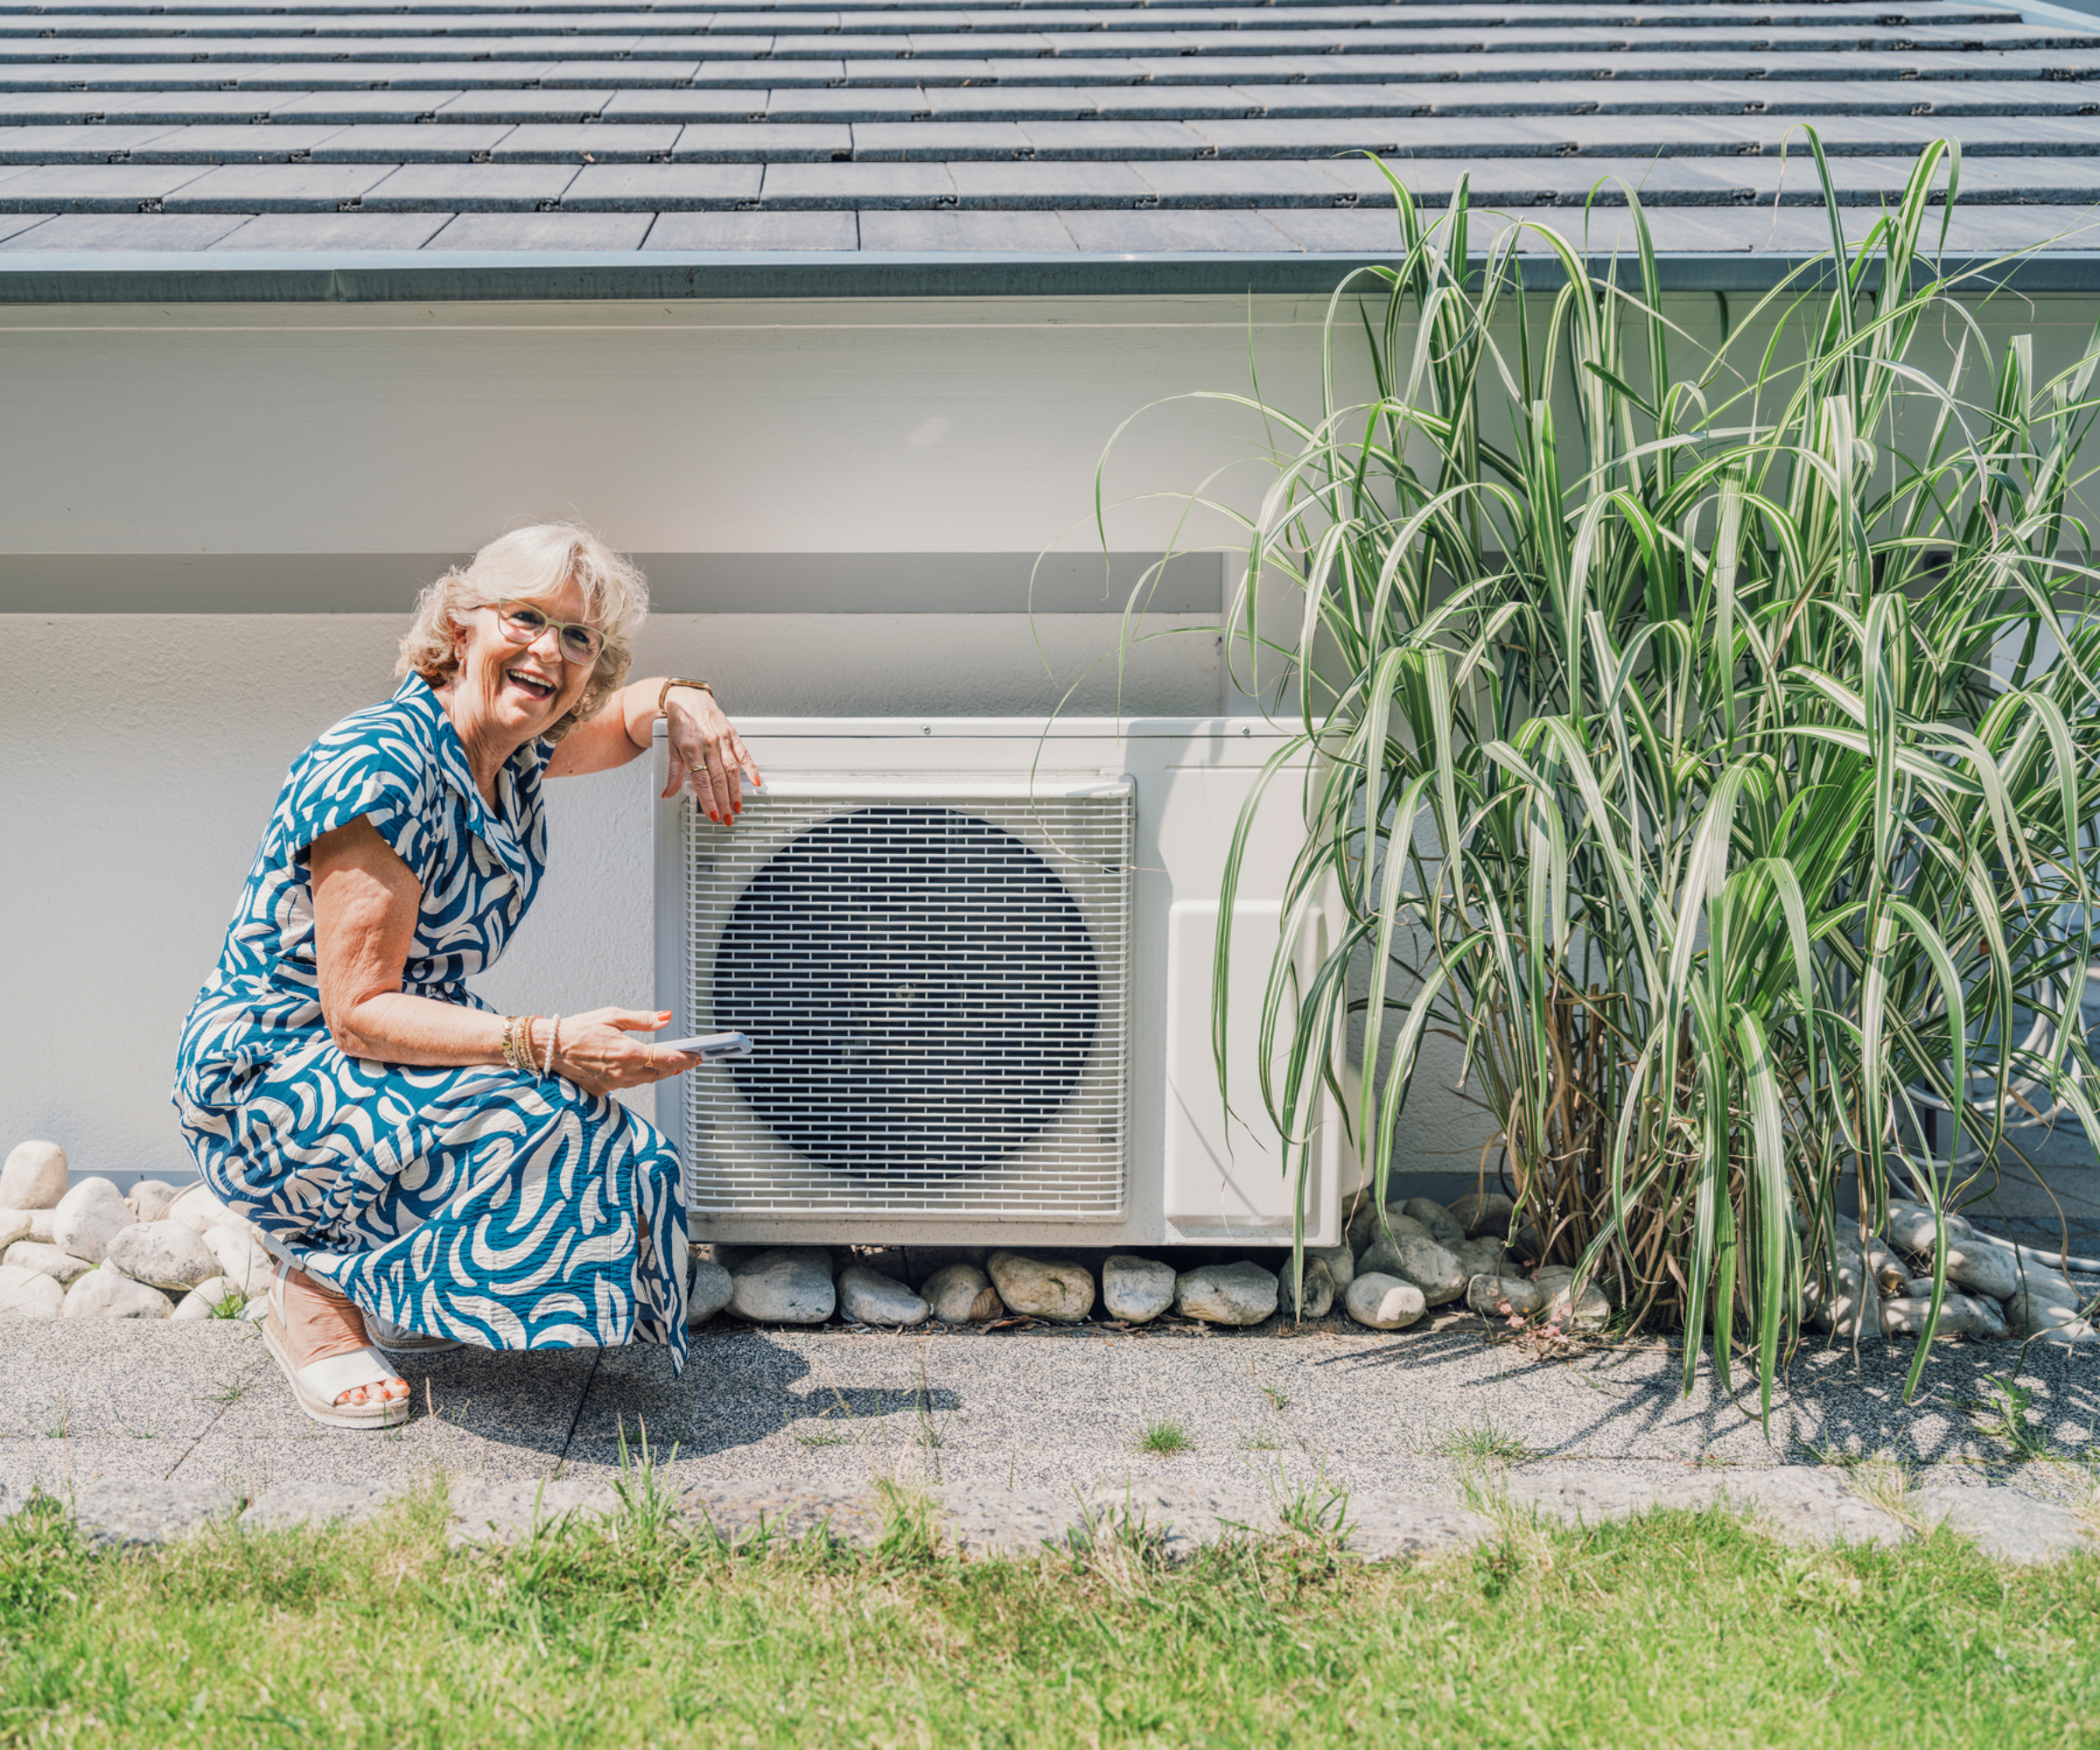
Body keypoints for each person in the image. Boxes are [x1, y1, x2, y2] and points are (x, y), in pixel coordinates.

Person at [172, 524, 760, 1429]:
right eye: (526, 618)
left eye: (578, 637)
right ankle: (310, 1280)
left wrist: (683, 699)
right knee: (537, 1124)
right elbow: (358, 1011)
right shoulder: (384, 763)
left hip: (385, 1036)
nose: (550, 650)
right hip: (276, 1067)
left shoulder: (509, 747)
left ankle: (389, 1272)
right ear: (460, 627)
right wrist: (548, 1042)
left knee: (619, 1147)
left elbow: (620, 722)